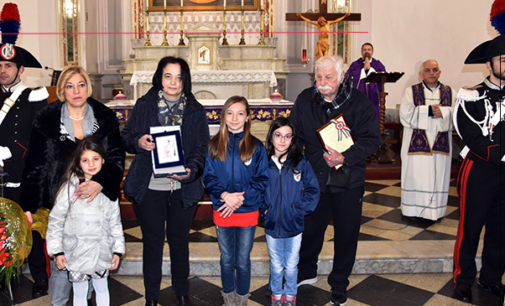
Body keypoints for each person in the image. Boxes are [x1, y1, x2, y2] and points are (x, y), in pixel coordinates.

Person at [21, 66, 125, 306]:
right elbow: (35, 164)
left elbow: (117, 159)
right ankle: (58, 302)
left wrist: (99, 183)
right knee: (62, 263)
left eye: (81, 84)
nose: (76, 91)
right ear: (61, 90)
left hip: (95, 202)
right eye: (70, 86)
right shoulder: (45, 119)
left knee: (90, 269)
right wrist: (29, 205)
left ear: (88, 87)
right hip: (58, 200)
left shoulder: (105, 117)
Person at [289, 55, 381, 306]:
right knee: (310, 229)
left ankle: (339, 282)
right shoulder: (305, 99)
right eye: (318, 77)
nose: (322, 82)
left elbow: (372, 140)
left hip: (348, 179)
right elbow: (294, 134)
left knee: (346, 233)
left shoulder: (359, 103)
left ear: (341, 77)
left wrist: (345, 156)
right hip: (315, 177)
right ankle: (306, 270)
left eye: (328, 77)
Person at [121, 56, 210, 306]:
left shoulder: (195, 109)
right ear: (160, 77)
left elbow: (202, 148)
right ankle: (151, 296)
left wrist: (191, 169)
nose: (173, 82)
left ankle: (182, 292)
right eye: (168, 75)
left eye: (179, 77)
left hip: (183, 186)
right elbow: (126, 136)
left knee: (180, 241)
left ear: (185, 80)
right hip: (150, 186)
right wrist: (138, 141)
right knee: (153, 241)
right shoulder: (144, 105)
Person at [0, 2, 49, 297]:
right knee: (3, 227)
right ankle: (7, 271)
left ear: (19, 69)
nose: (2, 71)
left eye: (8, 66)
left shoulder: (34, 97)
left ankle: (40, 276)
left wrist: (7, 152)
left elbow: (37, 135)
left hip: (22, 173)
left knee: (31, 226)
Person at [452, 34, 505, 303]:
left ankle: (491, 278)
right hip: (479, 169)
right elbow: (470, 134)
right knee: (470, 227)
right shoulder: (471, 94)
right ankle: (463, 278)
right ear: (489, 64)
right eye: (503, 60)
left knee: (500, 229)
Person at [202, 96, 269, 306]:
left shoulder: (257, 147)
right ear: (223, 117)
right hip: (223, 209)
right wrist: (225, 196)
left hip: (247, 209)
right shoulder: (213, 145)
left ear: (248, 118)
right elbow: (209, 178)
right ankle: (228, 295)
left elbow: (262, 178)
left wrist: (240, 198)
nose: (234, 118)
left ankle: (242, 297)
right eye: (230, 113)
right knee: (227, 258)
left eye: (240, 113)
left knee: (242, 259)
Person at [46, 136, 125, 306]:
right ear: (78, 163)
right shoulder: (69, 187)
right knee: (80, 292)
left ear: (103, 160)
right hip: (77, 252)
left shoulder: (108, 189)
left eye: (95, 159)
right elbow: (56, 220)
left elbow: (115, 222)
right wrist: (57, 252)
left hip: (101, 251)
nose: (91, 164)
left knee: (102, 288)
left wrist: (117, 251)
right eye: (85, 160)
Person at [260, 117, 319, 306]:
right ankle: (277, 295)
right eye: (278, 135)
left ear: (293, 139)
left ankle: (291, 295)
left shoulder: (300, 162)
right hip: (272, 224)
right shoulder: (263, 162)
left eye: (287, 136)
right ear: (271, 137)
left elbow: (312, 190)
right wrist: (264, 210)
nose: (282, 140)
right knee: (277, 265)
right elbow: (256, 189)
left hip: (294, 224)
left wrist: (298, 209)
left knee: (292, 265)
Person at [399, 59, 456, 221]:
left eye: (435, 70)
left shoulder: (450, 92)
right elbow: (405, 114)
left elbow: (459, 114)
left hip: (440, 146)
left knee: (438, 176)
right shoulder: (411, 91)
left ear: (439, 72)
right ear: (421, 74)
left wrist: (445, 112)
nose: (432, 73)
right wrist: (429, 111)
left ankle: (435, 212)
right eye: (428, 70)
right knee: (417, 176)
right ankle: (413, 211)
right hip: (416, 147)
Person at [348, 43, 386, 122]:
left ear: (372, 52)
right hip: (359, 97)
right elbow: (349, 76)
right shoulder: (355, 64)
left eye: (369, 50)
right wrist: (363, 70)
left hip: (373, 96)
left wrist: (369, 70)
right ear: (361, 52)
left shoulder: (378, 64)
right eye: (364, 50)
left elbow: (382, 75)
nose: (367, 51)